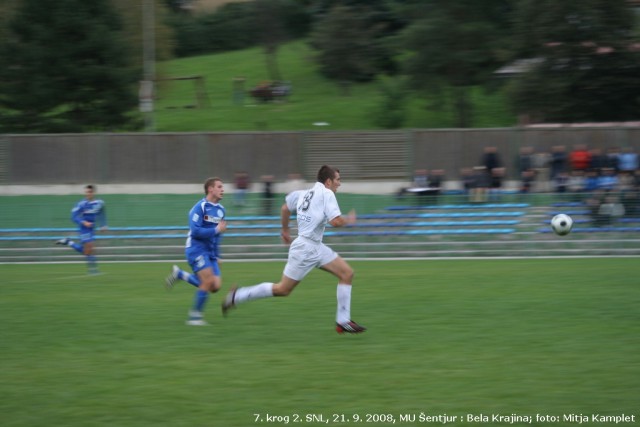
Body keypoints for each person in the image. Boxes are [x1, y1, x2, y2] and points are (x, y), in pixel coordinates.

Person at [221, 165, 366, 334]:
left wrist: (285, 230)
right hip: (305, 249)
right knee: (282, 289)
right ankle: (237, 296)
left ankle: (343, 321)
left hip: (314, 246)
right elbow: (336, 222)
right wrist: (349, 220)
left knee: (346, 273)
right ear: (328, 181)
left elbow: (284, 208)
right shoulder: (327, 193)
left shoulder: (303, 193)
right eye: (338, 180)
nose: (339, 184)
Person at [165, 177, 227, 326]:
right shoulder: (199, 207)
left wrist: (217, 254)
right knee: (207, 281)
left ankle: (180, 274)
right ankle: (195, 317)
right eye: (219, 187)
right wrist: (216, 229)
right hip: (196, 248)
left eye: (222, 187)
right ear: (210, 189)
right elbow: (196, 231)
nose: (222, 189)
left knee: (215, 286)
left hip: (210, 252)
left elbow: (218, 234)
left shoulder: (221, 210)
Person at [55, 184, 107, 274]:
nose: (88, 194)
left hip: (92, 228)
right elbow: (73, 217)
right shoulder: (81, 204)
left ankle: (68, 242)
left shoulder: (99, 203)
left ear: (94, 192)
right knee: (90, 247)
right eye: (86, 192)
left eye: (90, 192)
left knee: (88, 251)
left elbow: (102, 212)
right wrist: (84, 222)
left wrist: (103, 225)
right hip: (84, 229)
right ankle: (93, 271)